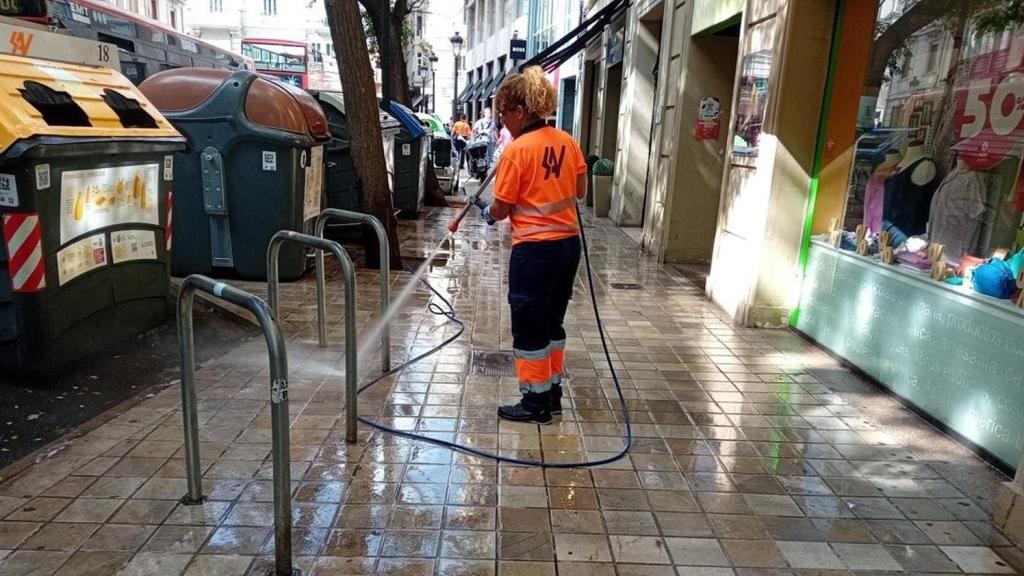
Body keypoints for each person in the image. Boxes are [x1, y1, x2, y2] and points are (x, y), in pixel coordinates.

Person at [478, 66, 587, 424]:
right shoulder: (568, 142)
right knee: (553, 322)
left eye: (504, 113)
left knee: (529, 325)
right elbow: (580, 191)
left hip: (534, 252)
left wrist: (488, 213)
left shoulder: (517, 151)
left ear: (521, 111)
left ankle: (535, 402)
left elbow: (501, 208)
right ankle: (552, 394)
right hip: (568, 248)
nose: (502, 120)